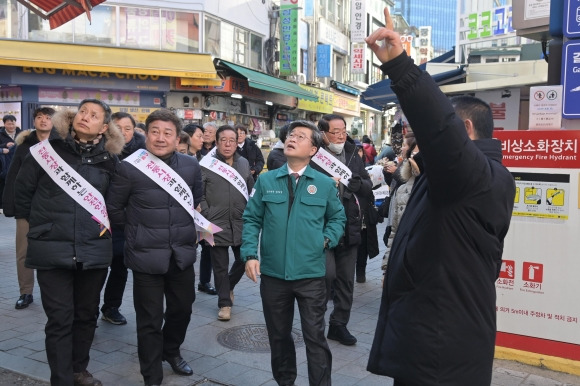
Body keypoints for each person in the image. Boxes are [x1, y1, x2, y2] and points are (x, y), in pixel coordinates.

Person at [365, 9, 516, 385]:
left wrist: (401, 66)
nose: (413, 134)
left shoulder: (477, 177)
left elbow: (439, 127)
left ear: (464, 129)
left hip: (442, 356)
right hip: (430, 341)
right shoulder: (452, 177)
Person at [14, 99, 124, 386]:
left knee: (86, 315)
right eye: (82, 111)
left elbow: (115, 207)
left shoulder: (111, 162)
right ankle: (61, 379)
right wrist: (45, 227)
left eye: (94, 115)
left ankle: (78, 369)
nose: (85, 117)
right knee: (60, 319)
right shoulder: (46, 152)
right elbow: (22, 196)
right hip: (52, 248)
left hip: (94, 250)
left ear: (104, 128)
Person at [242, 120, 346, 386]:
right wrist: (250, 254)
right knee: (278, 336)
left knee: (315, 337)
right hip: (274, 276)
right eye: (290, 135)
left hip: (311, 275)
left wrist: (325, 240)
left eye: (300, 136)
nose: (292, 138)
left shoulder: (324, 184)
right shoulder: (266, 180)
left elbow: (338, 219)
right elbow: (252, 219)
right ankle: (285, 381)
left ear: (313, 150)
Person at [106, 109, 203, 385]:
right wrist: (140, 226)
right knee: (149, 320)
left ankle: (171, 351)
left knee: (182, 309)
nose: (160, 138)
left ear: (176, 138)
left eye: (167, 133)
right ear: (146, 134)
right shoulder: (128, 166)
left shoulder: (190, 165)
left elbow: (194, 200)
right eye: (155, 132)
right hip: (145, 255)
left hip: (181, 254)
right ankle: (152, 375)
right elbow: (114, 208)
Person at [311, 113, 372, 346]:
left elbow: (367, 184)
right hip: (323, 228)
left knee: (346, 280)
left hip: (350, 226)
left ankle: (339, 325)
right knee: (325, 276)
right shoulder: (314, 155)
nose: (340, 135)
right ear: (323, 134)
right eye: (335, 132)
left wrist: (359, 184)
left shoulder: (353, 153)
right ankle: (315, 322)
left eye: (343, 131)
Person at [3, 107, 57, 310]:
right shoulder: (24, 145)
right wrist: (11, 205)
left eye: (48, 118)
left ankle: (53, 293)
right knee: (23, 252)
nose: (43, 121)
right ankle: (25, 292)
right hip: (26, 207)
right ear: (34, 121)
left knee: (52, 252)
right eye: (39, 117)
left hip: (54, 208)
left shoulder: (62, 144)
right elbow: (12, 176)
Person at [199, 125, 254, 321]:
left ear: (237, 142)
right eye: (224, 140)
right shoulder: (206, 164)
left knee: (243, 259)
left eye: (232, 140)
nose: (228, 144)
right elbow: (199, 193)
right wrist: (207, 211)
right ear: (217, 142)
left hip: (240, 221)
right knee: (219, 265)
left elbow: (250, 190)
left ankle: (227, 286)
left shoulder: (244, 163)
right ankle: (224, 303)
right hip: (213, 222)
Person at [100, 111, 145, 326]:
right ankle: (87, 310)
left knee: (120, 266)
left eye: (128, 128)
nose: (123, 132)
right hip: (99, 218)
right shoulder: (99, 150)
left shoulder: (144, 154)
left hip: (127, 220)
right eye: (118, 127)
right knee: (97, 268)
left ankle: (111, 307)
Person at [183, 123, 217, 295]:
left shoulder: (203, 156)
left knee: (208, 246)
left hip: (204, 211)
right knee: (190, 247)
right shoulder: (182, 159)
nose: (202, 139)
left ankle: (204, 281)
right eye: (199, 136)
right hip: (188, 213)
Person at [381, 133, 420, 274]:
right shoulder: (403, 189)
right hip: (403, 263)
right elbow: (394, 233)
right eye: (415, 153)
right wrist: (386, 269)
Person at [353, 141, 380, 283]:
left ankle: (361, 272)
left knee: (363, 246)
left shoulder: (366, 170)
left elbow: (370, 193)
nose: (358, 154)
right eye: (355, 152)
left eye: (360, 151)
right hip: (351, 216)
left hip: (364, 216)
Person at [0, 114, 22, 212]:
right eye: (9, 124)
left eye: (13, 124)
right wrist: (4, 146)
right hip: (4, 165)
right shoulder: (0, 134)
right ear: (4, 124)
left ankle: (17, 205)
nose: (11, 126)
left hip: (19, 165)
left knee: (18, 185)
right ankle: (3, 206)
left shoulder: (21, 133)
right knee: (4, 186)